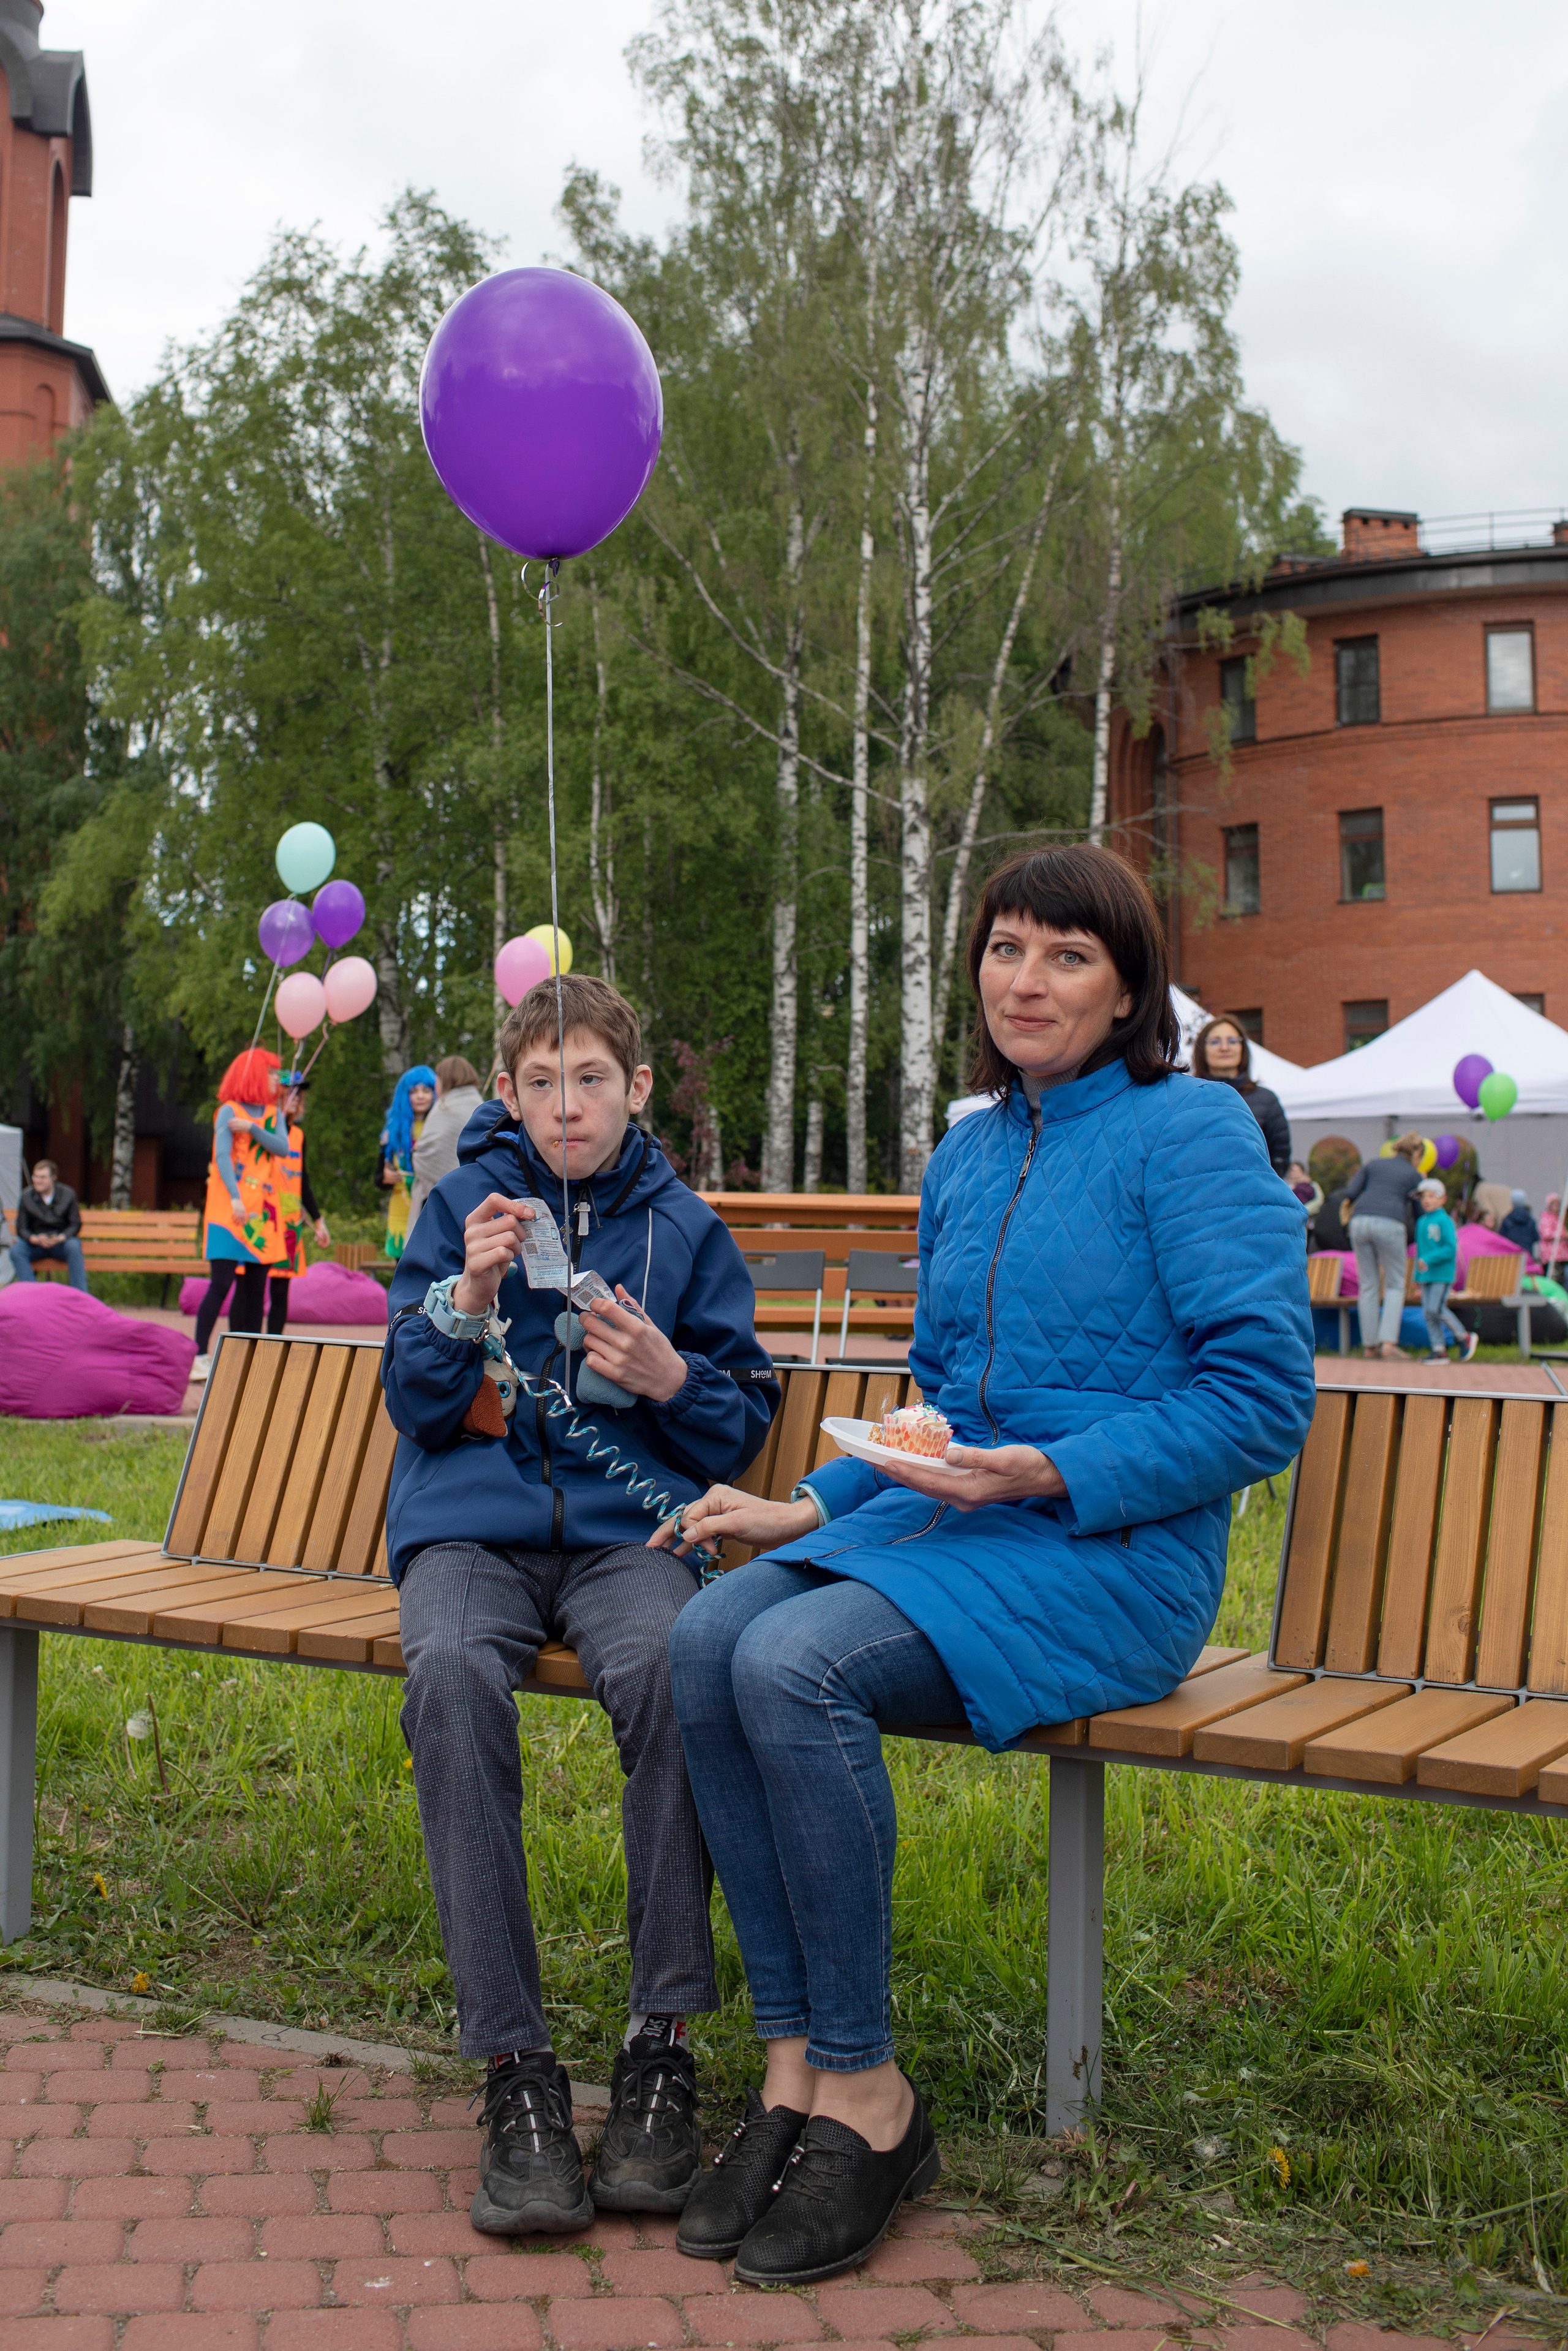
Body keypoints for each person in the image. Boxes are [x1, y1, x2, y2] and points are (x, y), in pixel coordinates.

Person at [657, 844, 1315, 2288]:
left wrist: (1052, 1469)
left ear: (1129, 984)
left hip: (1108, 1555)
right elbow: (938, 1394)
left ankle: (872, 2098)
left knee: (788, 1659)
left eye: (1066, 955)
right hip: (947, 1526)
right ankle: (792, 2078)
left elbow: (1261, 1396)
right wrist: (807, 1502)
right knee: (705, 1641)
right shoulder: (966, 1149)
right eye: (1005, 947)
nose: (1025, 979)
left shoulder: (1192, 1134)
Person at [381, 974, 780, 2238]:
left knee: (679, 1664)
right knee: (445, 1675)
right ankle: (516, 2068)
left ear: (635, 1088)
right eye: (541, 1083)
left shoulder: (683, 1227)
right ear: (507, 1092)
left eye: (591, 1079)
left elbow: (742, 1412)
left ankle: (659, 2044)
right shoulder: (458, 1205)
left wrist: (671, 1375)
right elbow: (415, 1401)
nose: (567, 1107)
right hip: (471, 1532)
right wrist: (465, 1302)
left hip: (626, 1534)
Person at [192, 1048, 291, 1382]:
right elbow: (221, 1158)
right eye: (273, 1072)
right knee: (220, 1284)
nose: (278, 1078)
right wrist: (235, 1198)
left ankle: (250, 1356)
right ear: (254, 1074)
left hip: (263, 1213)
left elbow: (283, 1148)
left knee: (255, 1289)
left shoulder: (272, 1113)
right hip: (228, 1210)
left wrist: (251, 1128)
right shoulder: (226, 1112)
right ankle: (200, 1355)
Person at [1344, 1136, 1423, 1359]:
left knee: (1368, 1285)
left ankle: (1370, 1347)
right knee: (1396, 1285)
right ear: (1416, 1155)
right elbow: (1419, 1213)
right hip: (1390, 1223)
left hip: (1359, 1222)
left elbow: (1351, 1193)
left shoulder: (1374, 1164)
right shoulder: (1413, 1175)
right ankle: (1388, 1344)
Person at [1191, 1014, 1292, 1174]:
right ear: (1202, 1049)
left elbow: (1280, 1160)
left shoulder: (1267, 1100)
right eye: (1215, 1041)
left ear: (1242, 1047)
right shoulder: (1188, 1098)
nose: (1225, 1048)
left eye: (1232, 1041)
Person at [408, 1055, 484, 1232]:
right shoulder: (480, 1105)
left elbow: (426, 1155)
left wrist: (416, 1154)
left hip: (446, 1198)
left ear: (444, 1080)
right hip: (477, 1193)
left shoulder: (446, 1107)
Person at [1414, 1177, 1477, 1363]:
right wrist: (1417, 1276)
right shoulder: (1421, 1222)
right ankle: (1439, 1349)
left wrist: (1429, 1259)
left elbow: (1450, 1248)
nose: (1427, 1200)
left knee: (1437, 1308)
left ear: (1442, 1199)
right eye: (1424, 1197)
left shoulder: (1445, 1221)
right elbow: (1420, 1251)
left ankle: (1463, 1336)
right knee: (1428, 1312)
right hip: (1426, 1275)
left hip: (1441, 1273)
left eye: (1432, 1196)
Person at [377, 1067, 437, 1259]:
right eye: (414, 1091)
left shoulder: (440, 1128)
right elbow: (378, 1179)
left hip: (430, 1211)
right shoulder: (391, 1133)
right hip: (400, 1214)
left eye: (426, 1091)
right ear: (405, 1095)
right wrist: (386, 1177)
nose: (420, 1096)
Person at [11, 1160, 86, 1289]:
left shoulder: (68, 1194)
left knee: (74, 1245)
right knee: (16, 1250)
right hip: (36, 1245)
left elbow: (75, 1224)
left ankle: (81, 1297)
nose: (37, 1181)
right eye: (35, 1176)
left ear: (53, 1178)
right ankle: (32, 1294)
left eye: (42, 1177)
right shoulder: (26, 1196)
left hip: (61, 1244)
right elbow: (21, 1228)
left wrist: (60, 1238)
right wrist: (35, 1239)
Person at [1499, 1188, 1539, 1258]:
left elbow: (1501, 1238)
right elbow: (1536, 1237)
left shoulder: (1507, 1220)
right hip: (1527, 1254)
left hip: (1512, 1255)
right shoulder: (1530, 1220)